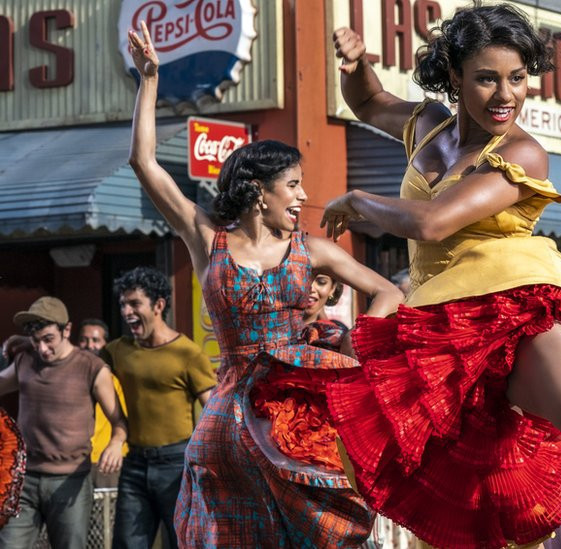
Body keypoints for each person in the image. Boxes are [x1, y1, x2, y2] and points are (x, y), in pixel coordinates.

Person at [322, 5, 561, 548]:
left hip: (509, 308)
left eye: (518, 78)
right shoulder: (427, 127)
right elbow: (368, 102)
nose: (506, 94)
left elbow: (433, 220)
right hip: (436, 332)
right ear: (454, 76)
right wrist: (355, 64)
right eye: (488, 78)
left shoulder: (524, 152)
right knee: (471, 507)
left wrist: (359, 199)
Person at [125, 21, 402, 547]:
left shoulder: (312, 249)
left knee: (319, 531)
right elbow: (143, 163)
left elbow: (390, 292)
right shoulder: (209, 241)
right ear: (259, 192)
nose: (303, 197)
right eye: (294, 185)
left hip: (298, 409)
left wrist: (353, 346)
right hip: (228, 415)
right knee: (233, 531)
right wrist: (150, 81)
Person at [100, 267, 215, 549]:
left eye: (135, 303)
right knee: (127, 544)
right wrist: (25, 345)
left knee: (181, 542)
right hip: (135, 465)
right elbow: (77, 362)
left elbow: (213, 411)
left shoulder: (187, 353)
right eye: (123, 304)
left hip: (176, 465)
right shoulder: (117, 350)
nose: (126, 311)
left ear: (159, 305)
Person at [0, 297, 126, 549]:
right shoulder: (26, 360)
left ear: (66, 330)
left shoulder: (92, 367)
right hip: (25, 481)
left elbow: (118, 420)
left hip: (71, 483)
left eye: (49, 339)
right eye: (36, 341)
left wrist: (116, 442)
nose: (43, 349)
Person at [76, 318, 129, 489]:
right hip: (74, 463)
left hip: (106, 462)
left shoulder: (114, 380)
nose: (89, 345)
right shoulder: (69, 378)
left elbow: (123, 420)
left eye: (96, 340)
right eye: (84, 340)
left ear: (105, 344)